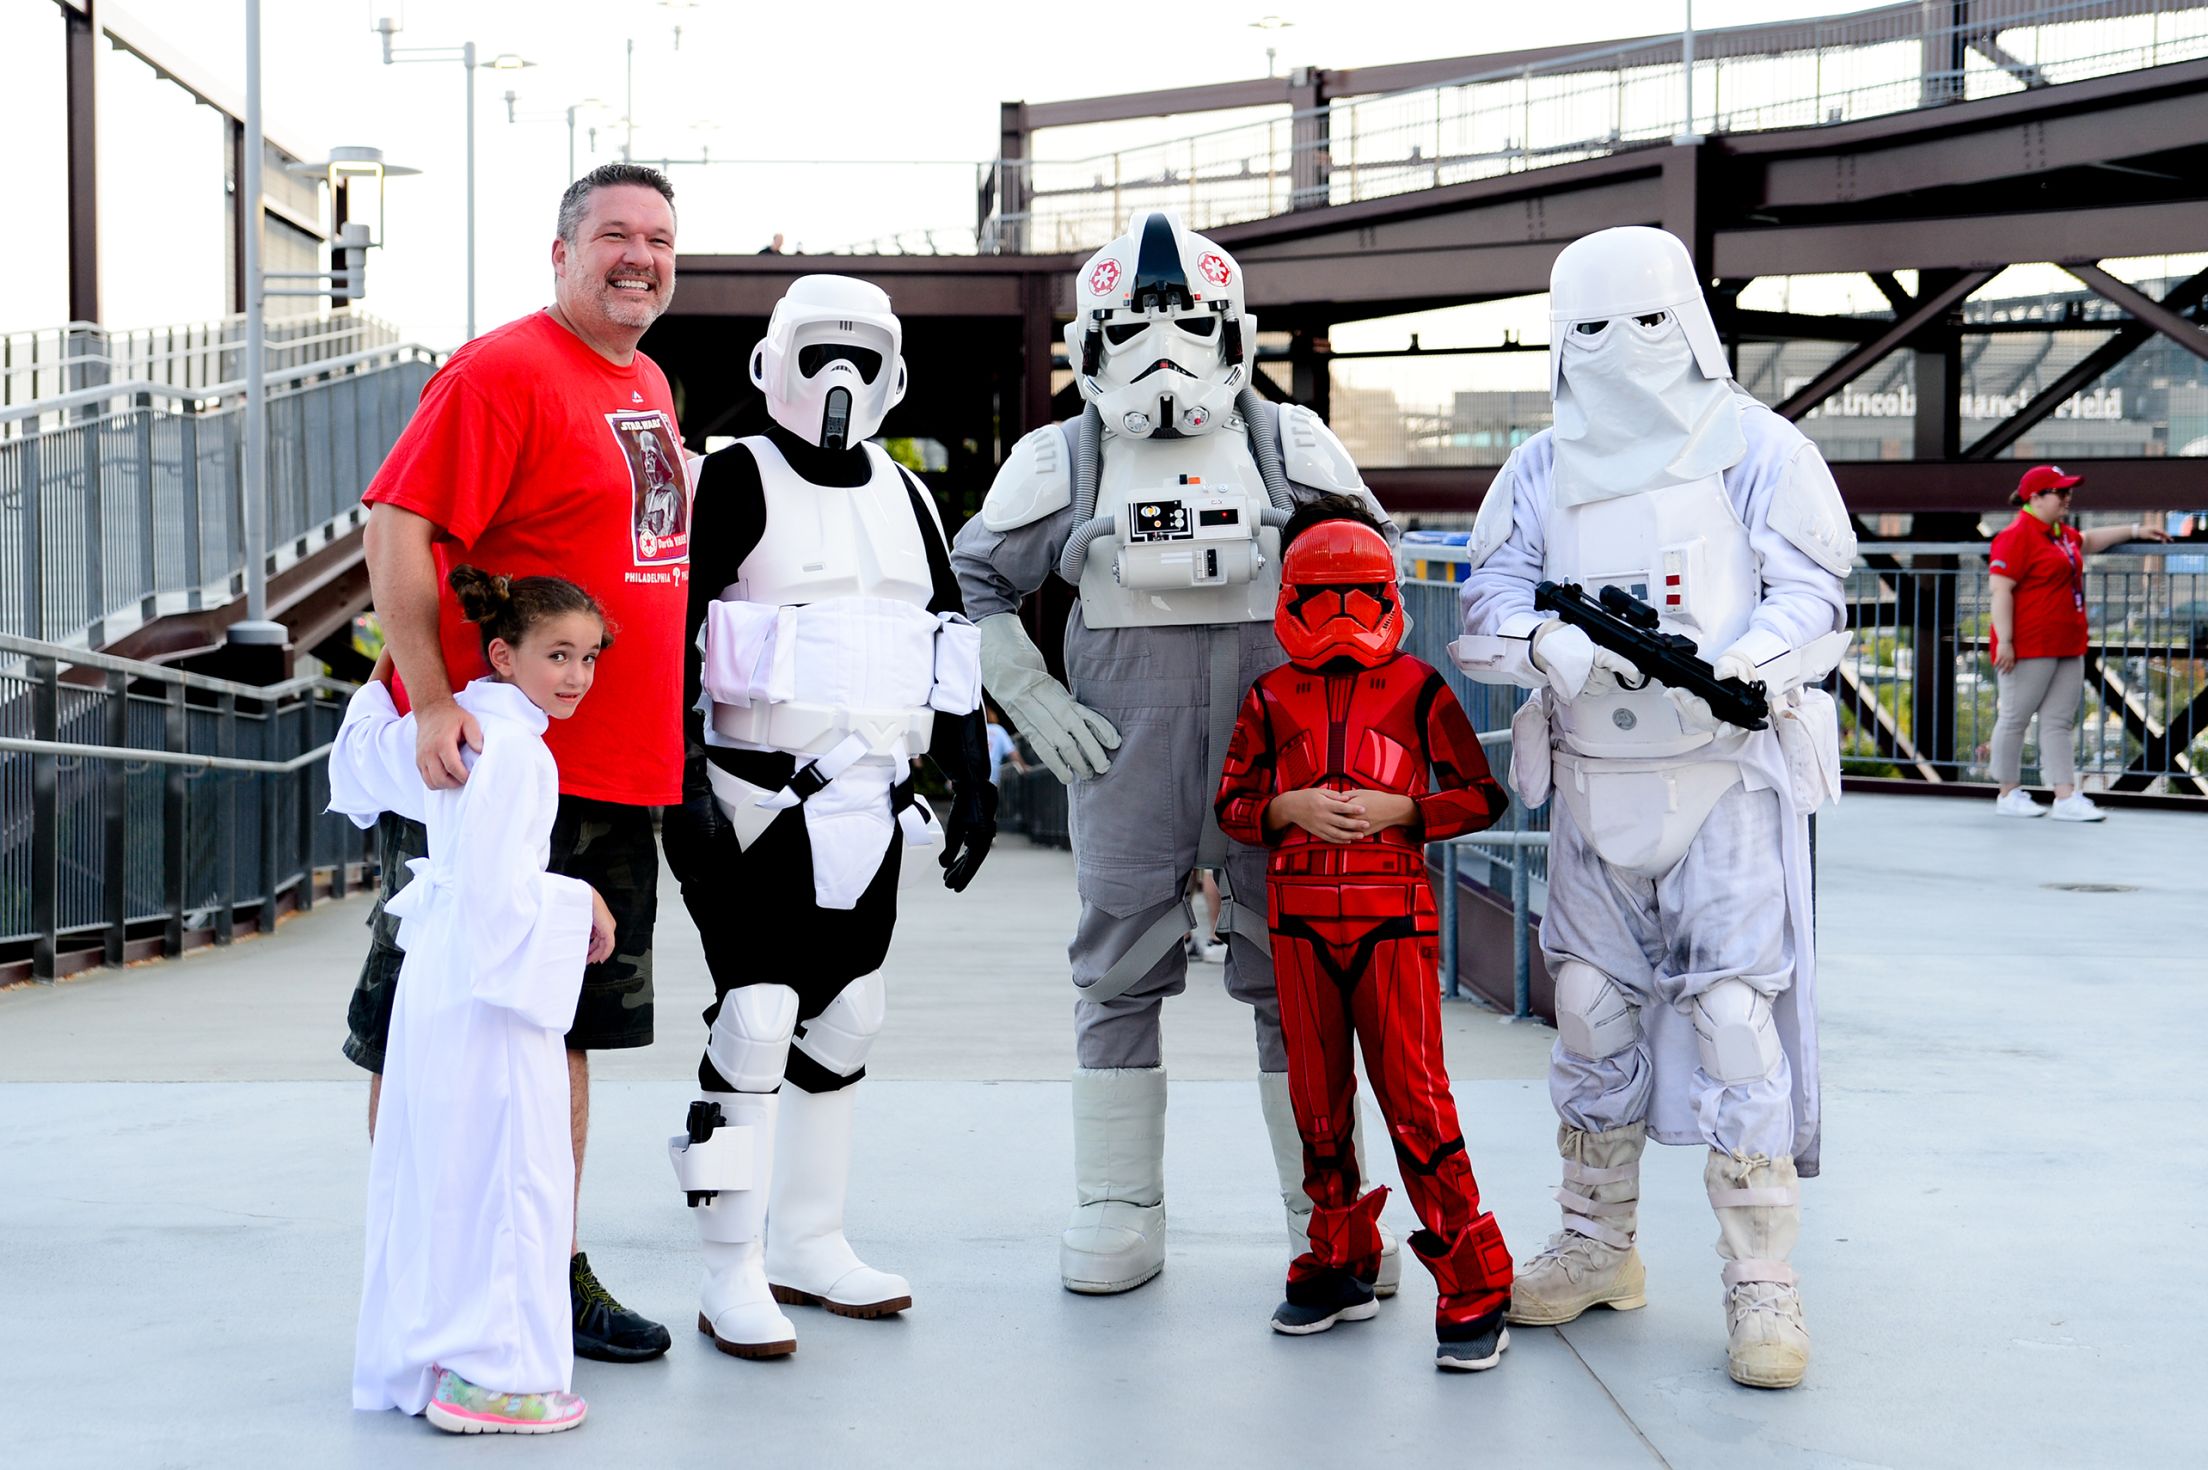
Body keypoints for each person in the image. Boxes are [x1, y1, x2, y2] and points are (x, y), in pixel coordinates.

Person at [951, 209, 1404, 1298]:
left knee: (1300, 973)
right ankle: (1118, 1203)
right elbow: (971, 582)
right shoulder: (1060, 458)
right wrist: (1024, 690)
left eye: (1189, 324)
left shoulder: (1289, 445)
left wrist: (1355, 722)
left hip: (1281, 757)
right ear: (1090, 339)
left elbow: (1371, 572)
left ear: (1232, 329)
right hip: (1126, 749)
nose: (1164, 352)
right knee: (1115, 968)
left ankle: (1328, 1207)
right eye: (1132, 327)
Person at [1455, 225, 1853, 1390]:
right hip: (1592, 779)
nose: (1620, 350)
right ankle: (1595, 1243)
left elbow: (1814, 595)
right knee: (1587, 1006)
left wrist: (1751, 665)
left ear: (1683, 317)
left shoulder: (1761, 452)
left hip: (1724, 779)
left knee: (1736, 1017)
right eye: (1590, 327)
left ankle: (1762, 1282)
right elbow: (1485, 601)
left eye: (1640, 321)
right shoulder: (1536, 469)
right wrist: (1551, 644)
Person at [345, 161, 688, 1363]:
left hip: (616, 769)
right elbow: (396, 522)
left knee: (568, 1028)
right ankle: (425, 1264)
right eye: (612, 236)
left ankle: (542, 1269)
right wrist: (433, 701)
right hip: (508, 767)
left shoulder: (643, 380)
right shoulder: (501, 370)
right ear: (561, 252)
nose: (638, 256)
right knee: (428, 1018)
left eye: (657, 237)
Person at [663, 274, 997, 1359]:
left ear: (895, 371)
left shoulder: (911, 498)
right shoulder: (733, 477)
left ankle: (811, 1240)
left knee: (847, 1014)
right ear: (772, 365)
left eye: (861, 354)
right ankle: (727, 1271)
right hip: (755, 799)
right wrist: (678, 784)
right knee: (754, 1020)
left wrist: (972, 770)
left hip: (873, 800)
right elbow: (674, 636)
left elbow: (946, 639)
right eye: (818, 353)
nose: (839, 377)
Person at [1216, 499, 1516, 1372]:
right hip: (1301, 921)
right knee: (1317, 1102)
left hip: (1390, 921)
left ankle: (1474, 1282)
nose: (1342, 614)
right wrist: (1284, 807)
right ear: (1292, 596)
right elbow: (1233, 806)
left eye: (1359, 592)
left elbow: (1480, 795)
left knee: (1417, 1101)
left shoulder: (1419, 689)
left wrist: (1404, 810)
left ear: (1385, 591)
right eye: (1323, 594)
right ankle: (1338, 1258)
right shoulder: (1271, 696)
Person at [334, 567, 616, 1437]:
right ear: (504, 652)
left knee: (437, 1166)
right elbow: (502, 906)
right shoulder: (519, 752)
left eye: (588, 657)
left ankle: (420, 1361)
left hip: (436, 977)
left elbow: (362, 762)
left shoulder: (449, 727)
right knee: (508, 1168)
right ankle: (489, 1377)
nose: (576, 676)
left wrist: (400, 686)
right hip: (489, 987)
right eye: (556, 655)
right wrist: (583, 903)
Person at [1989, 465, 2169, 821]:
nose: (2067, 497)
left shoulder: (2059, 534)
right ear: (2035, 498)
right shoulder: (2017, 535)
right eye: (2060, 492)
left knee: (2058, 721)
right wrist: (2005, 641)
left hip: (2067, 643)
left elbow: (2089, 540)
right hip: (2029, 645)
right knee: (2014, 718)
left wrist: (2135, 530)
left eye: (2068, 491)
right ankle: (2007, 793)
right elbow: (2000, 590)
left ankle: (2064, 796)